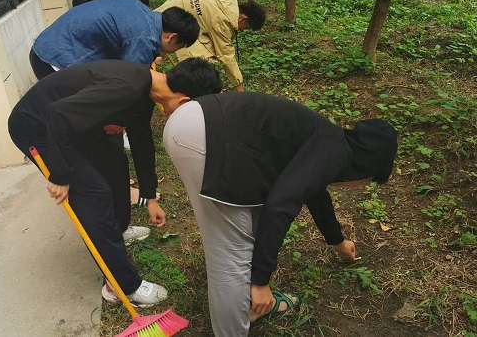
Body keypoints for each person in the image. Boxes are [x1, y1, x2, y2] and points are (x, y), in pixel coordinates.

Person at [163, 92, 398, 336]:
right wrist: (260, 281)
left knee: (249, 225)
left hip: (195, 122)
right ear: (366, 169)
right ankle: (238, 321)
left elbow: (315, 194)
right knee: (232, 252)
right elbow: (280, 206)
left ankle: (247, 306)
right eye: (368, 182)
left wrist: (337, 240)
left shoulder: (330, 141)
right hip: (207, 135)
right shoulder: (335, 151)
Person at [8, 58, 222, 307]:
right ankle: (122, 286)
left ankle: (116, 232)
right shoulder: (127, 87)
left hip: (68, 125)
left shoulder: (147, 87)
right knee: (94, 195)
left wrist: (149, 197)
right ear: (184, 101)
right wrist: (61, 176)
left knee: (116, 163)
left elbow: (141, 141)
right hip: (39, 128)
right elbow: (58, 114)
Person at [29, 0, 199, 80]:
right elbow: (128, 81)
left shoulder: (138, 7)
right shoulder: (144, 38)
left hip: (44, 45)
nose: (173, 52)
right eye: (178, 47)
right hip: (54, 62)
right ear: (172, 38)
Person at [155, 0, 266, 91]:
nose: (243, 30)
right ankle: (173, 88)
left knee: (156, 37)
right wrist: (239, 87)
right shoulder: (222, 22)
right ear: (243, 18)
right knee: (197, 65)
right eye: (246, 27)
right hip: (179, 15)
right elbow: (226, 55)